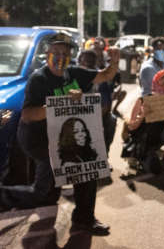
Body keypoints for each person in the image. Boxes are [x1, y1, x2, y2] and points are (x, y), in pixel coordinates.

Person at [0, 31, 120, 235]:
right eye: (55, 51)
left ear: (70, 56)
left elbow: (106, 75)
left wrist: (115, 60)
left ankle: (84, 219)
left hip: (66, 138)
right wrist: (54, 106)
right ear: (47, 53)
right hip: (39, 140)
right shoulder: (39, 79)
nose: (60, 57)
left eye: (65, 52)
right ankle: (3, 195)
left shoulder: (74, 73)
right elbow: (27, 115)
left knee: (87, 168)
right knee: (43, 194)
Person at [124, 68, 164, 171]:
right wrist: (143, 115)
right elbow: (131, 127)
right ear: (155, 82)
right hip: (142, 139)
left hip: (156, 138)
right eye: (162, 83)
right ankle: (135, 156)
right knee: (152, 169)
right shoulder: (142, 100)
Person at [78, 49, 117, 170]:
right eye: (85, 59)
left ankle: (103, 157)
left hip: (97, 115)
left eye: (91, 60)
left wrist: (96, 119)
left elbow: (106, 105)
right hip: (74, 116)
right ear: (79, 61)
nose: (87, 62)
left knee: (111, 120)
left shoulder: (102, 79)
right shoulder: (71, 76)